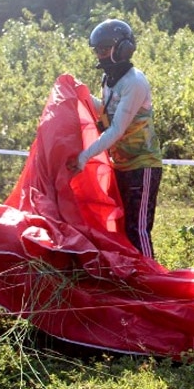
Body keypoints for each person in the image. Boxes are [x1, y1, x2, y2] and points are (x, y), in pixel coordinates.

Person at [67, 18, 163, 261]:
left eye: (104, 49)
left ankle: (151, 282)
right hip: (119, 164)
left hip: (142, 166)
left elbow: (117, 128)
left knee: (137, 230)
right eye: (97, 50)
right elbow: (106, 113)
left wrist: (84, 156)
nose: (99, 55)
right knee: (120, 227)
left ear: (123, 49)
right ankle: (131, 278)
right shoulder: (110, 80)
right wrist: (81, 95)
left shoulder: (134, 82)